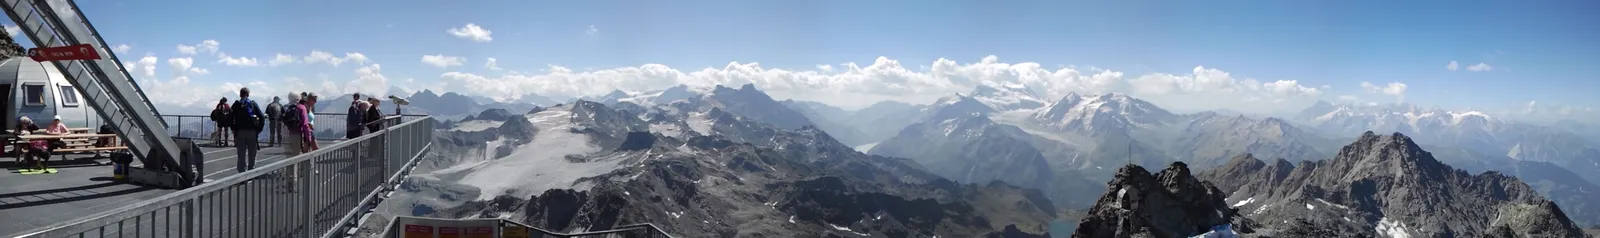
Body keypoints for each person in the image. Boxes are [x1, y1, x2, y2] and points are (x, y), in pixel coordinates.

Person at [230, 88, 265, 175]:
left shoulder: (237, 104)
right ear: (248, 94)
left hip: (240, 132)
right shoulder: (253, 104)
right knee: (252, 152)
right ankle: (251, 170)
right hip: (252, 132)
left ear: (240, 94)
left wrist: (233, 128)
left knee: (241, 153)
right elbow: (262, 117)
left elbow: (230, 117)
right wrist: (259, 129)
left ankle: (242, 172)